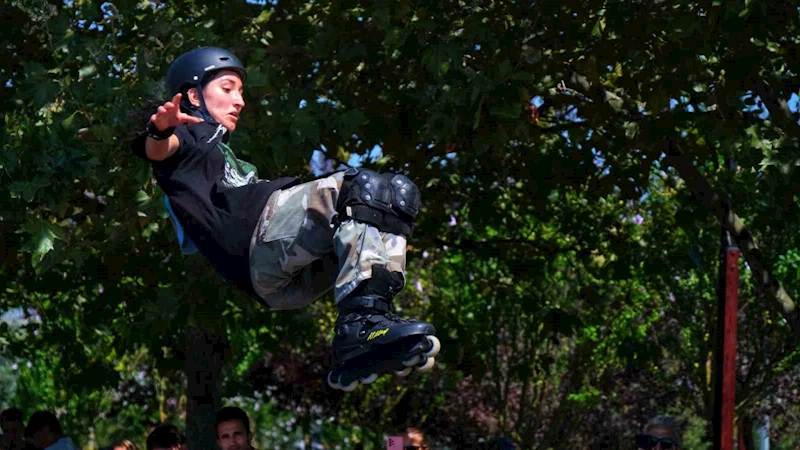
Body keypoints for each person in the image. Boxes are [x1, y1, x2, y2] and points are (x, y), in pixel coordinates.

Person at [130, 47, 440, 390]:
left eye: (241, 92)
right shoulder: (187, 138)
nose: (240, 102)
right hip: (257, 244)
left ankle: (372, 321)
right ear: (192, 94)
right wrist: (160, 129)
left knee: (397, 193)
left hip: (282, 278)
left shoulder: (222, 153)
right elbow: (157, 150)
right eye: (228, 88)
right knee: (360, 187)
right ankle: (360, 325)